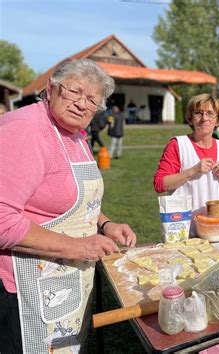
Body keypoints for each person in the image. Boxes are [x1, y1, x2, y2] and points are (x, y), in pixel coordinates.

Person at [0, 59, 137, 353]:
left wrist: (105, 223)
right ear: (50, 89)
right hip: (26, 287)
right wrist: (78, 247)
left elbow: (73, 201)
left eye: (92, 100)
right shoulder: (25, 130)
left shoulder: (75, 135)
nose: (81, 104)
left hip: (66, 279)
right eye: (74, 91)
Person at [154, 94, 219, 233]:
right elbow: (160, 184)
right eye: (198, 113)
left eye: (210, 114)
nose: (204, 119)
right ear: (190, 118)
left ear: (218, 120)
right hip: (184, 227)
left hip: (214, 225)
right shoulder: (178, 144)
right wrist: (193, 171)